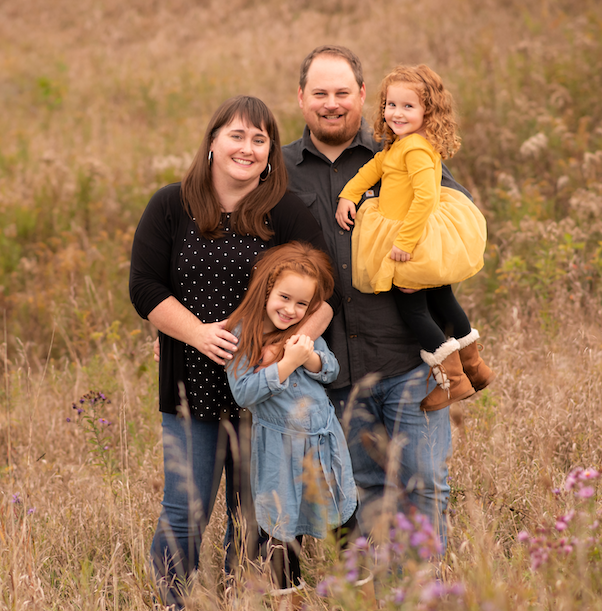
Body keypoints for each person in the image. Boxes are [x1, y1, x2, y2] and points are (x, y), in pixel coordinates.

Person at [129, 95, 338, 607]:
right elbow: (145, 288)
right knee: (186, 509)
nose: (247, 148)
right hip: (190, 384)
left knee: (257, 513)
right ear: (213, 142)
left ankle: (244, 600)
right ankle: (171, 602)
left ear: (270, 154)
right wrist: (196, 333)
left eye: (260, 139)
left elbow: (325, 294)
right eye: (237, 136)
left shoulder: (285, 213)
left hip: (268, 395)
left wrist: (284, 349)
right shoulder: (169, 205)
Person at [283, 45, 489, 551]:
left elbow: (458, 221)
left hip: (406, 359)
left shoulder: (403, 150)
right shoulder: (280, 170)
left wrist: (424, 267)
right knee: (365, 490)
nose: (331, 103)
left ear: (361, 95)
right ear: (301, 98)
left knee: (423, 485)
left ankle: (422, 595)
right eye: (319, 93)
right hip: (332, 369)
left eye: (341, 93)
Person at [336, 64, 494, 411]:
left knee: (413, 306)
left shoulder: (416, 150)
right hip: (417, 233)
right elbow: (373, 168)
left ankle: (452, 381)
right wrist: (349, 194)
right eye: (391, 105)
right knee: (442, 299)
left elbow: (425, 198)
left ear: (428, 111)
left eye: (408, 106)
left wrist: (404, 245)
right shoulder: (400, 145)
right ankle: (474, 367)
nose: (396, 113)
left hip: (413, 236)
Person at [224, 242, 358, 598]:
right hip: (278, 446)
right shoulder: (242, 333)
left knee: (343, 516)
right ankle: (289, 598)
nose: (291, 310)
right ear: (268, 288)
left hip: (323, 439)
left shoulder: (304, 333)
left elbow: (330, 370)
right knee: (282, 526)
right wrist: (285, 363)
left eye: (302, 304)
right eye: (284, 298)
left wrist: (307, 357)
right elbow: (244, 393)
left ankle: (361, 595)